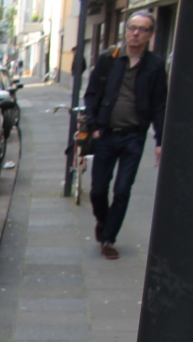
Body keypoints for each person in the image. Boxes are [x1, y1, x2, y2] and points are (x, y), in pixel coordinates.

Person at [83, 10, 167, 259]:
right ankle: (103, 221)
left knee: (122, 190)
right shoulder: (109, 58)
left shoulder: (155, 66)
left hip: (133, 137)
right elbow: (90, 94)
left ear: (150, 35)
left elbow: (159, 105)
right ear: (126, 30)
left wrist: (160, 141)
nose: (136, 33)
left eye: (142, 29)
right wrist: (94, 125)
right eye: (132, 28)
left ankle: (108, 239)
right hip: (106, 134)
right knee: (98, 190)